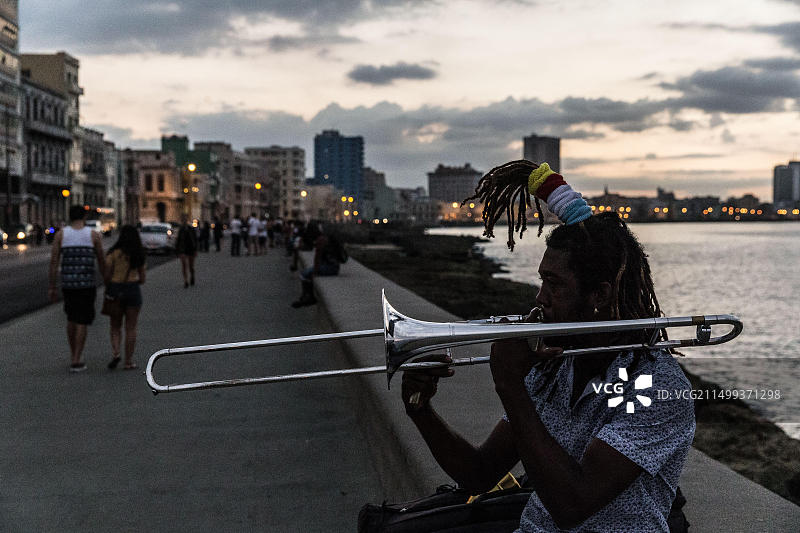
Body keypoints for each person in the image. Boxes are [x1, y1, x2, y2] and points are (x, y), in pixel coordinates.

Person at [401, 160, 695, 532]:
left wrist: (509, 384)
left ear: (599, 295)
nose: (539, 298)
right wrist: (420, 408)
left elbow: (573, 504)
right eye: (541, 281)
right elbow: (478, 474)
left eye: (554, 284)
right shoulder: (554, 368)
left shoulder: (658, 385)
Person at [48, 204, 106, 372]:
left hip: (68, 285)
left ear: (70, 217)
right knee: (83, 320)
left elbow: (54, 263)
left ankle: (74, 354)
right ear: (84, 217)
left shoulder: (61, 235)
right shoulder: (93, 235)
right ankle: (77, 358)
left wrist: (52, 286)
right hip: (87, 285)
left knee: (71, 318)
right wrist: (107, 279)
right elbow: (101, 260)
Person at [104, 225, 146, 370]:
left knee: (115, 326)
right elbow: (143, 278)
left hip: (115, 290)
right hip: (133, 289)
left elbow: (107, 275)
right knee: (131, 327)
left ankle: (116, 353)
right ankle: (128, 361)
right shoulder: (138, 254)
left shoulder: (113, 253)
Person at [291, 223, 344, 308]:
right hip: (334, 267)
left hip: (329, 268)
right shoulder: (326, 238)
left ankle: (309, 296)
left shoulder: (320, 240)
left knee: (304, 274)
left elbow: (317, 258)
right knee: (308, 273)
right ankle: (306, 296)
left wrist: (315, 271)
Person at [175, 215, 198, 288]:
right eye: (183, 220)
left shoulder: (191, 229)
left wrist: (195, 250)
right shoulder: (180, 230)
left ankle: (192, 276)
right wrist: (177, 250)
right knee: (184, 265)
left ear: (187, 220)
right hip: (182, 249)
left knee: (191, 266)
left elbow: (195, 239)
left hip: (191, 249)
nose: (184, 221)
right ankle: (185, 281)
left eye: (185, 220)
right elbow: (178, 240)